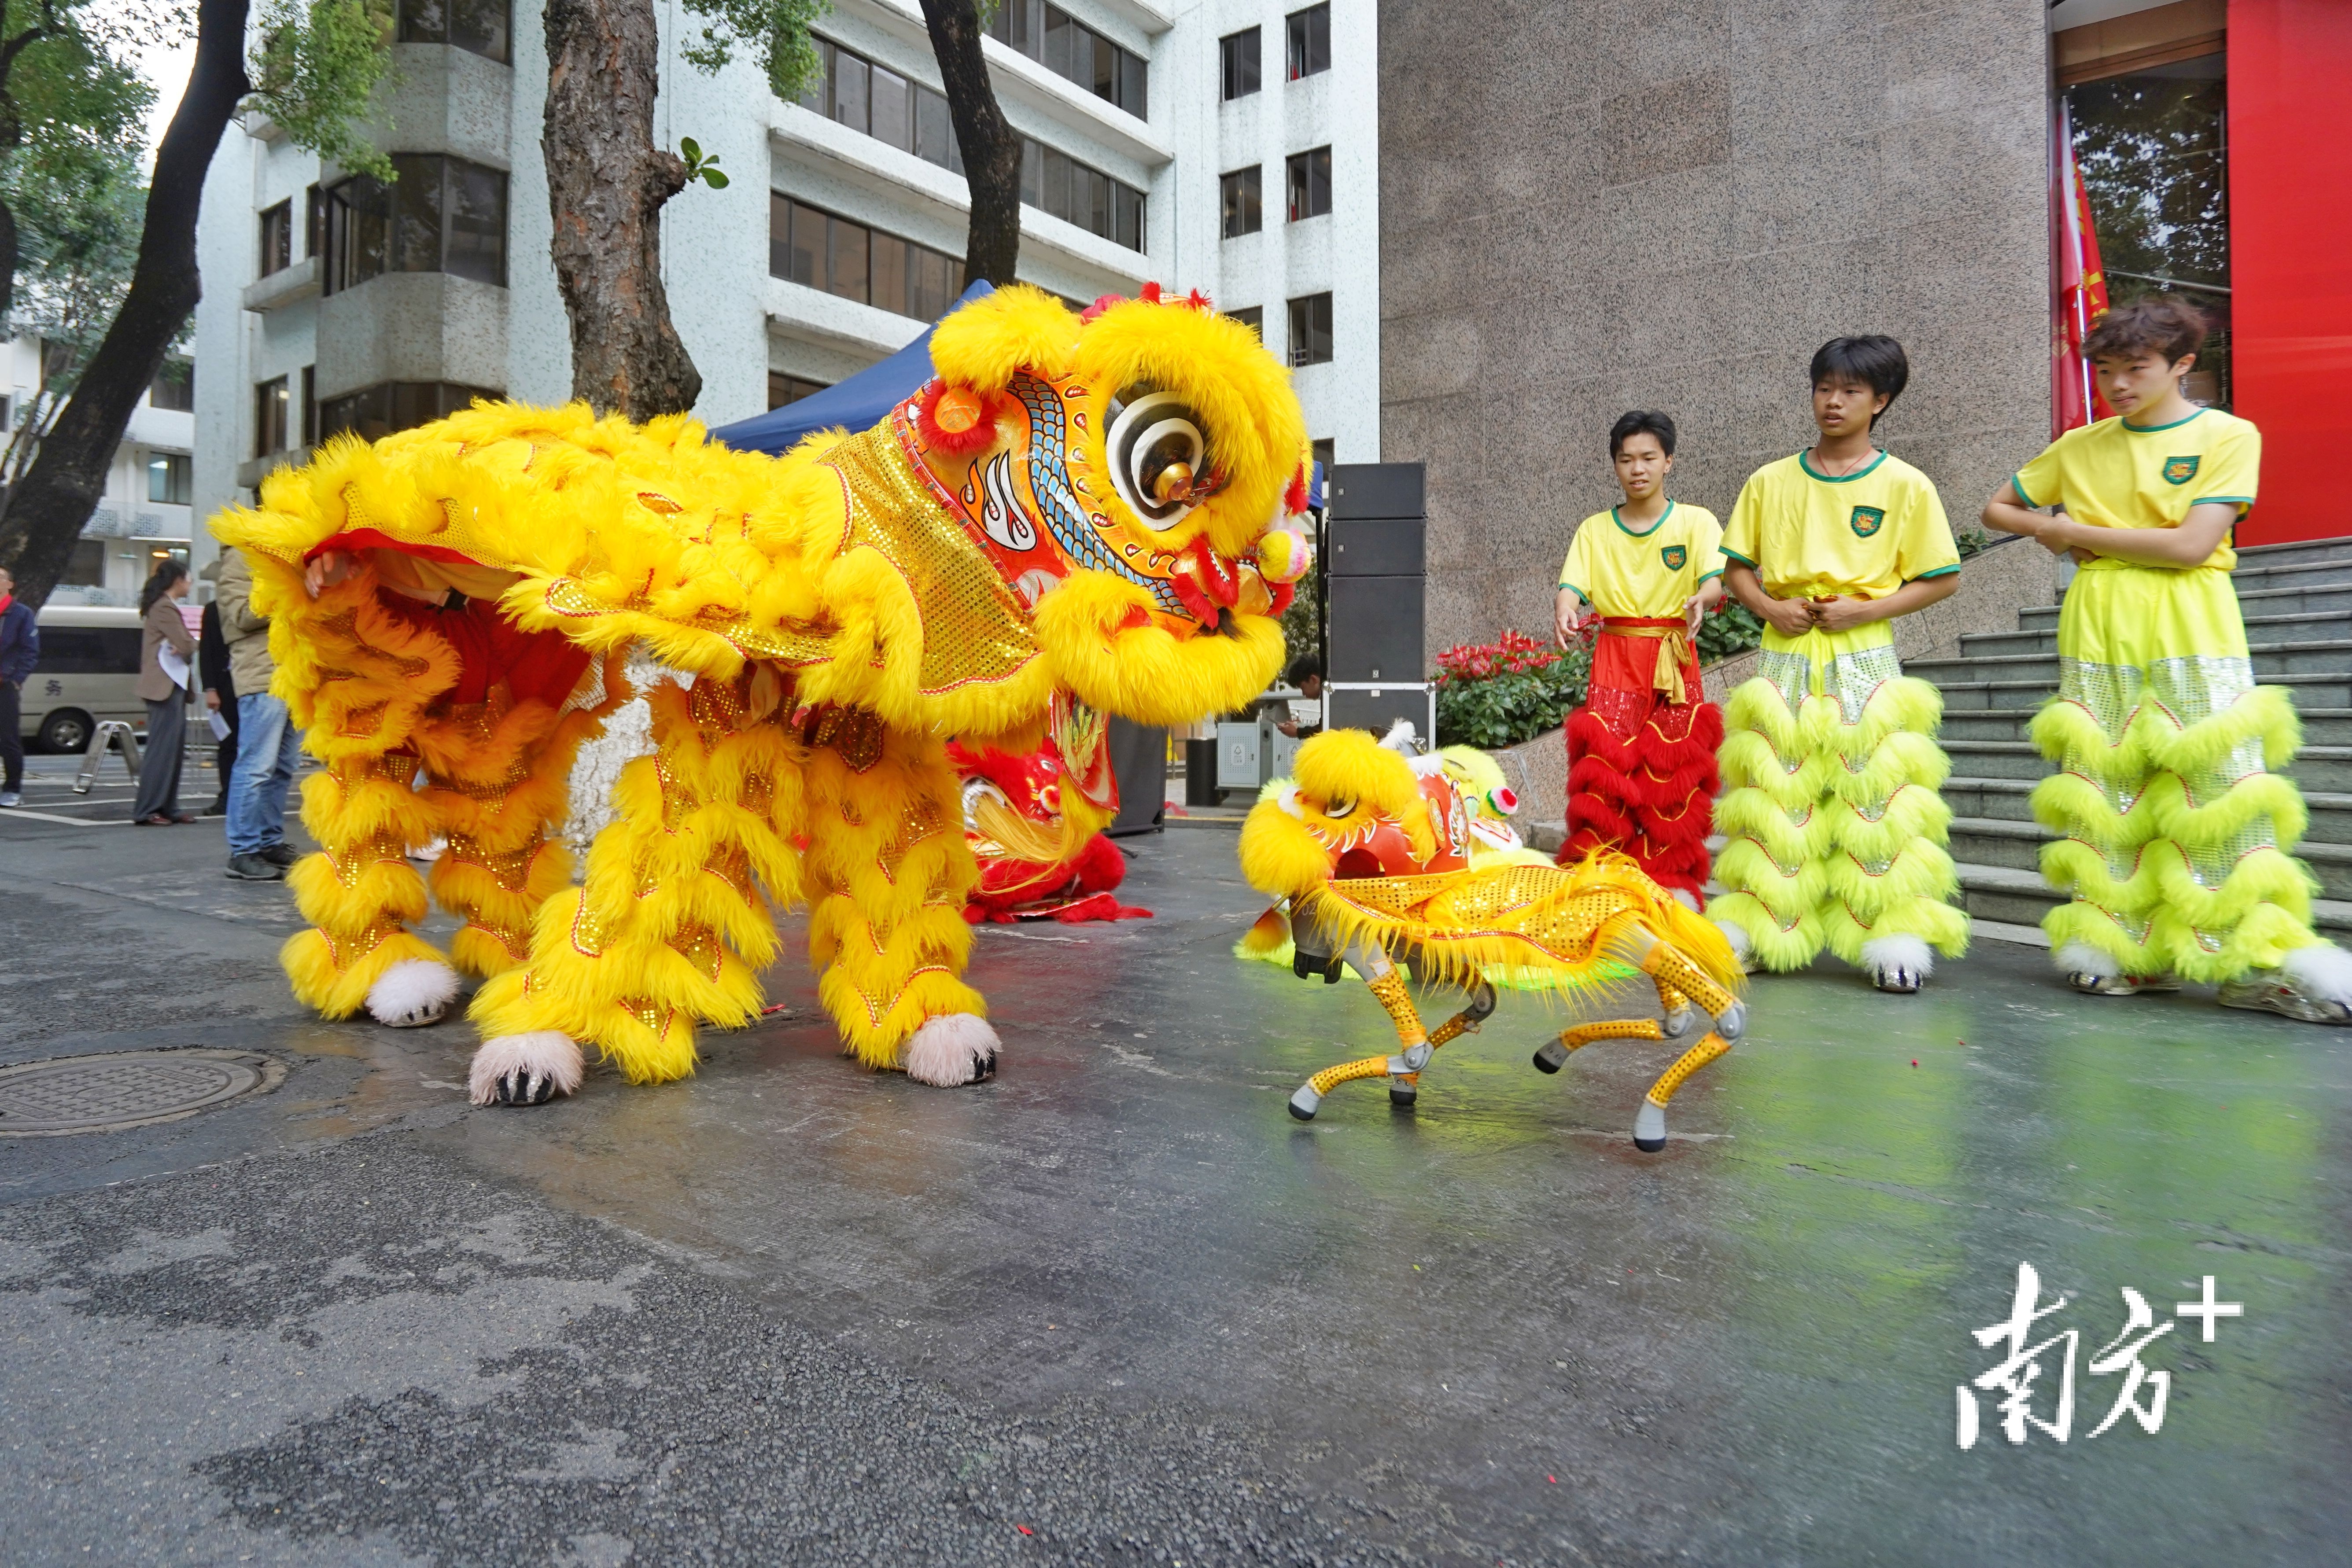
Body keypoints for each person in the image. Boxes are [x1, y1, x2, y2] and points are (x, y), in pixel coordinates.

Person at [1981, 295, 2350, 1023]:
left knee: (2217, 793)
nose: (2118, 385)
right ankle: (2124, 951)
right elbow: (1998, 508)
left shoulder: (2226, 434)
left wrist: (2079, 530)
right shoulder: (2080, 444)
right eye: (2108, 372)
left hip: (2192, 625)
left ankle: (2250, 962)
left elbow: (2189, 545)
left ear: (2182, 364)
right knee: (2109, 790)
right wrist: (2044, 528)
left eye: (2136, 369)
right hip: (2097, 626)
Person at [1706, 336, 1968, 992]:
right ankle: (1762, 933)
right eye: (1824, 387)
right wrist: (1769, 606)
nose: (1833, 401)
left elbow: (1941, 578)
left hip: (1864, 655)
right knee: (1775, 794)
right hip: (1786, 652)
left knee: (1873, 794)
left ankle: (1891, 941)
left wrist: (1868, 607)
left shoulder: (1905, 484)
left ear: (1880, 401)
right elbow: (1735, 569)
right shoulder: (1769, 480)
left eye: (1850, 391)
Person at [1551, 410, 1725, 904]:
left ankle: (1671, 889)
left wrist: (1704, 597)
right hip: (1615, 653)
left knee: (1671, 778)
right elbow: (1571, 587)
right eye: (1625, 459)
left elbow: (1714, 578)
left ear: (1668, 461)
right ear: (1615, 466)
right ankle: (1604, 885)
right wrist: (1564, 610)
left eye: (1648, 457)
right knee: (1607, 773)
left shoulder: (1696, 521)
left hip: (1673, 655)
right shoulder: (1594, 530)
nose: (1637, 468)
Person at [217, 546, 304, 880]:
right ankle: (243, 850)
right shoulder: (241, 556)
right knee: (256, 767)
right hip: (261, 675)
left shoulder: (288, 554)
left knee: (282, 767)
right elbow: (241, 614)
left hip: (294, 673)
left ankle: (269, 842)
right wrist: (289, 589)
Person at [131, 560, 196, 825]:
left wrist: (186, 645)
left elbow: (183, 644)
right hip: (164, 686)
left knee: (173, 750)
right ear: (177, 580)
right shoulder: (165, 607)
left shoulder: (162, 606)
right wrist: (189, 645)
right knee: (162, 750)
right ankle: (148, 809)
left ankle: (168, 805)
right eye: (188, 578)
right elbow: (186, 643)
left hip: (172, 685)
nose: (190, 583)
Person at [198, 582, 239, 817]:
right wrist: (210, 688)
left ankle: (250, 798)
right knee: (228, 744)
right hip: (226, 685)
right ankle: (227, 796)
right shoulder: (215, 609)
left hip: (257, 681)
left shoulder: (263, 605)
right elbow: (207, 652)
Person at [0, 563, 35, 809]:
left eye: (1, 578)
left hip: (4, 684)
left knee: (8, 738)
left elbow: (30, 651)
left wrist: (16, 679)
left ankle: (13, 788)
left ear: (10, 584)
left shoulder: (21, 614)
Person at [1276, 655, 1322, 739]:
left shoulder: (1334, 698)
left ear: (1314, 680)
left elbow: (1325, 730)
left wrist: (1298, 732)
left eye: (1303, 687)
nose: (1303, 693)